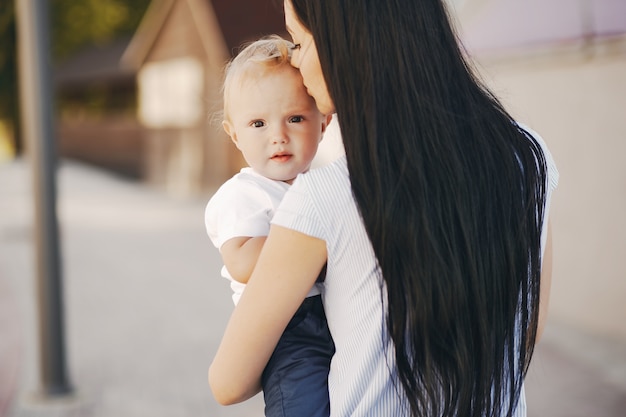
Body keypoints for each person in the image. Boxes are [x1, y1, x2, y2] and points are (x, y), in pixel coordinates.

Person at [209, 1, 559, 416]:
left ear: (344, 40)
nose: (296, 63)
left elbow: (227, 383)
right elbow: (528, 328)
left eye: (299, 42)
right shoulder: (528, 157)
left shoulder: (325, 197)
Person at [204, 36, 334, 417]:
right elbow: (243, 262)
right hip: (286, 327)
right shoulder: (243, 194)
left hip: (328, 312)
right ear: (234, 134)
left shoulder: (321, 184)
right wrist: (311, 242)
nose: (278, 135)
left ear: (322, 124)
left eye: (295, 118)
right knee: (303, 402)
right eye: (258, 123)